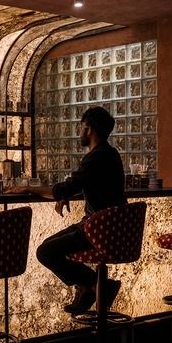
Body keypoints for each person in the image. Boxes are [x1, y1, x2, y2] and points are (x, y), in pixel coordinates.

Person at [36, 106, 126, 315]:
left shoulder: (95, 157)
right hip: (112, 227)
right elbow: (87, 184)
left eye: (81, 127)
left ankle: (96, 284)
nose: (80, 132)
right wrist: (68, 193)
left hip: (100, 229)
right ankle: (91, 286)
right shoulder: (111, 154)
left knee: (45, 251)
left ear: (89, 129)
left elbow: (63, 188)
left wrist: (27, 188)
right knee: (49, 246)